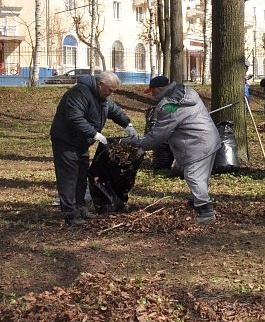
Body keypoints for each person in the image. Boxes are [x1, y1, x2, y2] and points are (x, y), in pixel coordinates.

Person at [123, 75, 221, 224]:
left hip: (197, 143)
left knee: (193, 176)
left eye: (153, 91)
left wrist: (141, 145)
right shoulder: (186, 92)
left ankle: (205, 211)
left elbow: (159, 134)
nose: (152, 94)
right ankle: (195, 202)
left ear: (160, 89)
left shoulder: (169, 105)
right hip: (210, 138)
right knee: (201, 176)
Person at [50, 71, 137, 226]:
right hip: (66, 140)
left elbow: (114, 111)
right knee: (69, 177)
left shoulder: (102, 97)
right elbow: (75, 118)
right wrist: (95, 134)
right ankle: (70, 213)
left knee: (82, 175)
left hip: (82, 142)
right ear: (100, 84)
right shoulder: (78, 93)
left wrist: (127, 125)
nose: (111, 94)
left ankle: (80, 207)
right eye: (109, 90)